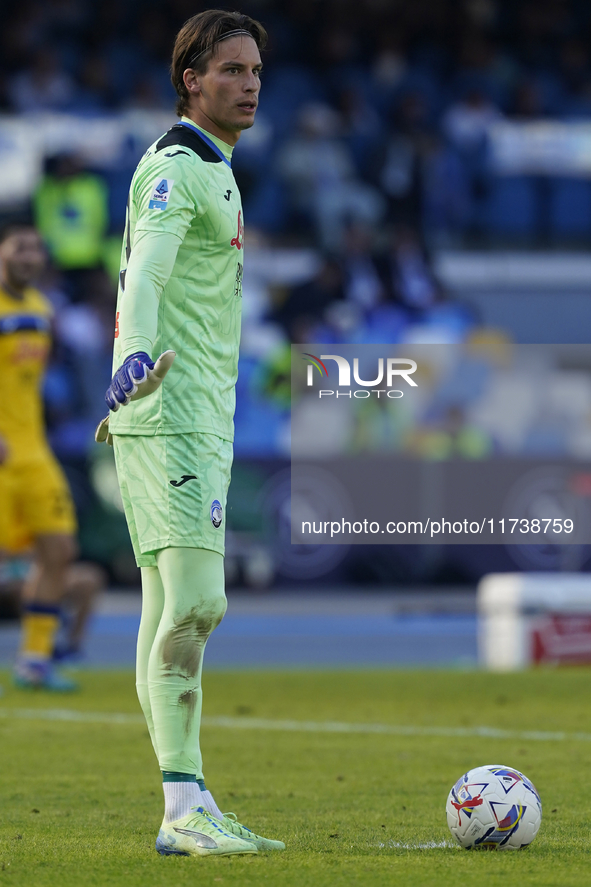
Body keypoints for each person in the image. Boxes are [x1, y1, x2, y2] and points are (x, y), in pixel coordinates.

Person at [97, 9, 285, 859]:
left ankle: (188, 800)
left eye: (255, 71)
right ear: (192, 80)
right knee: (199, 602)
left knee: (164, 609)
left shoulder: (219, 169)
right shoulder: (177, 166)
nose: (249, 85)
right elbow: (144, 275)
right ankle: (182, 807)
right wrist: (134, 356)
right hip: (167, 409)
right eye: (232, 71)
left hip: (201, 413)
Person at [0, 225, 78, 690]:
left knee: (60, 551)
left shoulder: (43, 309)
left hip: (32, 452)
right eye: (19, 247)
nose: (30, 256)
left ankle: (34, 659)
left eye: (36, 248)